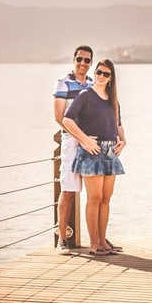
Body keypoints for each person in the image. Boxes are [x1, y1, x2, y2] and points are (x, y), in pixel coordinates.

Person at [61, 58, 126, 256]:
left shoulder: (113, 100)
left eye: (106, 74)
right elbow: (67, 120)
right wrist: (84, 140)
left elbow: (118, 125)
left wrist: (123, 140)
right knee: (95, 197)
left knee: (106, 198)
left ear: (111, 78)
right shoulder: (85, 96)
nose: (100, 76)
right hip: (92, 152)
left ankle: (103, 242)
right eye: (98, 72)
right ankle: (94, 244)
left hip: (110, 153)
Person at [53, 46, 94, 254]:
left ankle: (97, 240)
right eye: (79, 59)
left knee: (96, 193)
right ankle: (62, 240)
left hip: (92, 142)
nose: (83, 63)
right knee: (68, 190)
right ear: (73, 59)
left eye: (87, 60)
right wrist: (81, 138)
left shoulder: (94, 84)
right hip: (72, 141)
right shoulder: (63, 82)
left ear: (91, 63)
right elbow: (59, 117)